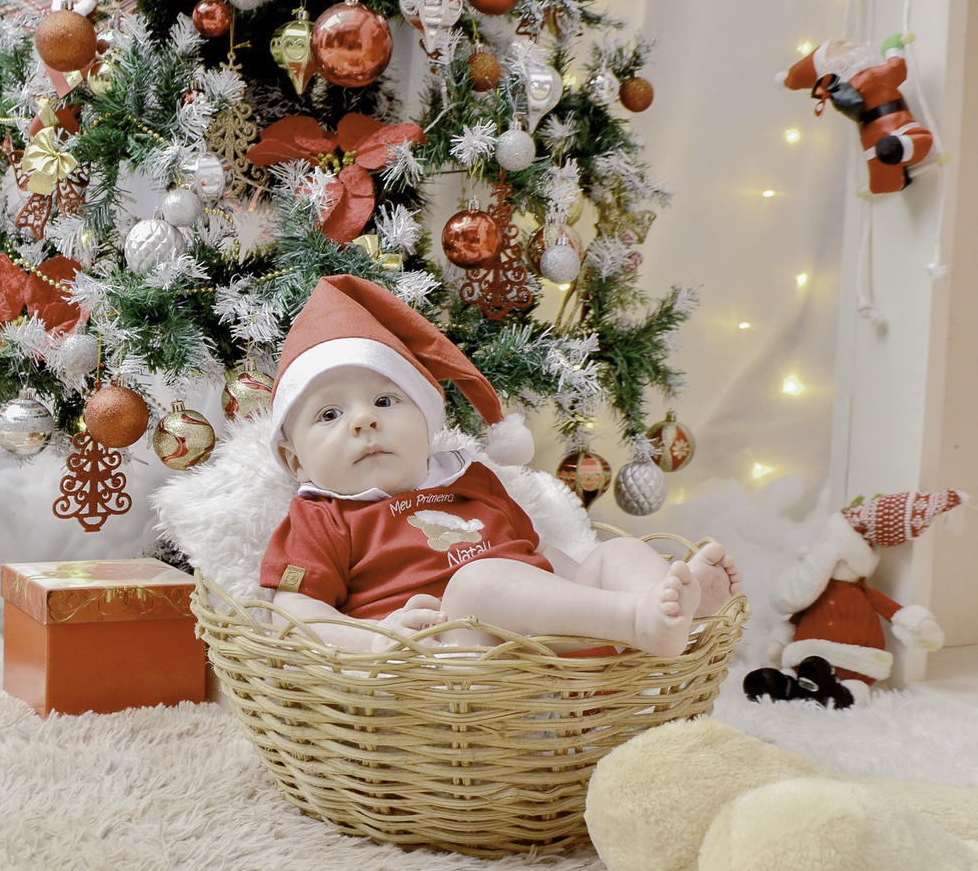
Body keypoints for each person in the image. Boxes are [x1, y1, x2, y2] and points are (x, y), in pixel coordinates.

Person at [259, 275, 741, 655]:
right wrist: (373, 639)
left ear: (426, 423)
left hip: (551, 636)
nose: (364, 420)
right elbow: (292, 610)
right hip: (455, 660)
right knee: (477, 583)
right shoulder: (322, 517)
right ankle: (635, 620)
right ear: (295, 461)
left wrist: (595, 586)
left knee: (616, 554)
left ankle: (666, 614)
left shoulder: (470, 479)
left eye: (385, 401)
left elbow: (540, 552)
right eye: (329, 414)